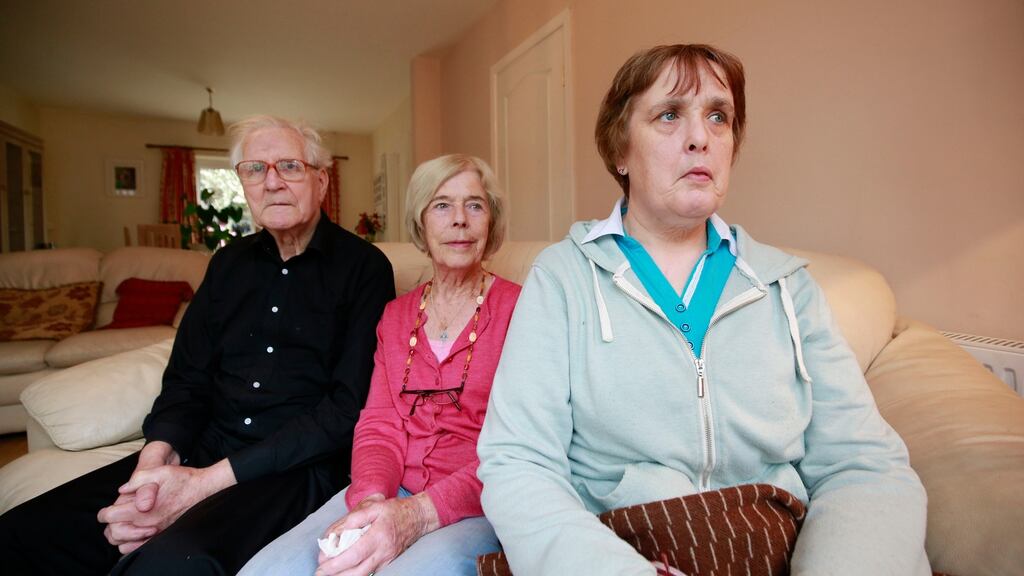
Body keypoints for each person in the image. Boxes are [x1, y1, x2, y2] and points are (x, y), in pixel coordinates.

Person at [476, 44, 931, 575]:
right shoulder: (563, 278)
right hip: (620, 548)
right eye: (669, 115)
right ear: (620, 151)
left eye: (719, 116)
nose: (701, 137)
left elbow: (864, 466)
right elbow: (519, 462)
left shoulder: (788, 286)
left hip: (776, 546)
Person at [0, 115, 395, 575]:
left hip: (293, 468)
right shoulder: (228, 264)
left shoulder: (365, 269)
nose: (271, 183)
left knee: (173, 564)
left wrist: (202, 485)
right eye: (254, 169)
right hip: (205, 447)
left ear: (321, 180)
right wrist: (151, 470)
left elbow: (346, 410)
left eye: (289, 166)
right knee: (27, 532)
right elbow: (186, 377)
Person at [240, 154, 520, 576]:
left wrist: (417, 515)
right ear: (421, 223)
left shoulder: (522, 309)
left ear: (491, 222)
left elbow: (518, 447)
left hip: (475, 505)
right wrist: (372, 497)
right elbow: (379, 422)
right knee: (266, 571)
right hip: (388, 487)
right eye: (441, 205)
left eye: (474, 205)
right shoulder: (396, 315)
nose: (459, 219)